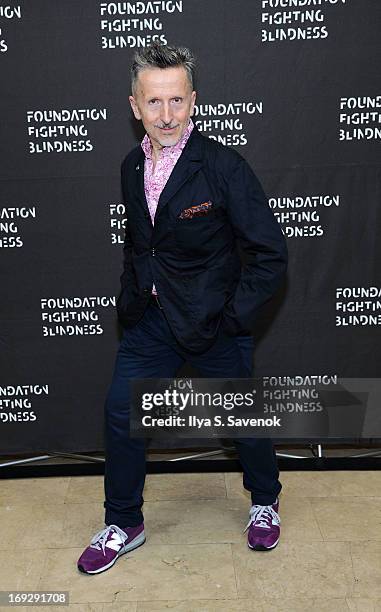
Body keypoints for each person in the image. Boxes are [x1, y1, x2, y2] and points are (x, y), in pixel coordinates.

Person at [77, 42, 288, 575]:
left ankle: (265, 498)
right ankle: (125, 522)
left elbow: (269, 254)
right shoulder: (131, 166)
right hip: (150, 323)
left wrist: (232, 317)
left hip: (215, 323)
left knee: (244, 419)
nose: (166, 116)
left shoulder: (222, 166)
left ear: (193, 100)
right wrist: (131, 297)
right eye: (154, 103)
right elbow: (139, 242)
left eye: (176, 101)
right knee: (120, 414)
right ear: (134, 106)